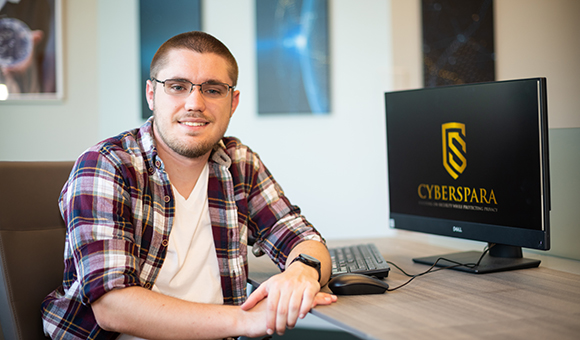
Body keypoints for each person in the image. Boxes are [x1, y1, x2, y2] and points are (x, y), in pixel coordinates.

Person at [41, 31, 336, 340]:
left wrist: (303, 271)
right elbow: (112, 306)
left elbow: (304, 238)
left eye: (212, 89)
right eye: (178, 87)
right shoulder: (107, 164)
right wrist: (243, 320)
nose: (195, 103)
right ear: (151, 94)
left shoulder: (239, 163)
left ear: (232, 102)